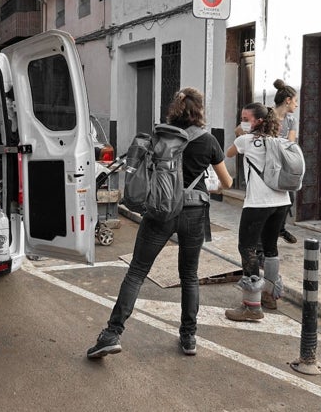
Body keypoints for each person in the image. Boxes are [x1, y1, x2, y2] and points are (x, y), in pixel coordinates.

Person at [86, 88, 233, 358]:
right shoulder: (209, 141)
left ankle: (111, 334)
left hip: (159, 211)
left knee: (137, 272)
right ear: (200, 111)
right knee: (189, 276)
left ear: (173, 110)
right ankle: (188, 337)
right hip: (193, 212)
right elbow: (227, 183)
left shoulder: (160, 137)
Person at [225, 102, 291, 319]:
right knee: (270, 248)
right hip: (281, 201)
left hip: (258, 203)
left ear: (258, 121)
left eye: (246, 119)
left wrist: (239, 131)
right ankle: (270, 295)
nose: (243, 122)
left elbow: (229, 153)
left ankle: (251, 306)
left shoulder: (245, 140)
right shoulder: (278, 140)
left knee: (247, 248)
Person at [272, 79, 299, 244]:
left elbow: (291, 142)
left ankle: (280, 229)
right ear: (288, 100)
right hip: (269, 165)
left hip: (285, 165)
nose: (296, 105)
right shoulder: (267, 115)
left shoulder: (291, 120)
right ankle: (270, 233)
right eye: (295, 101)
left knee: (289, 198)